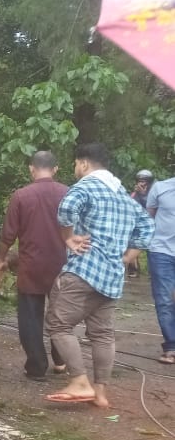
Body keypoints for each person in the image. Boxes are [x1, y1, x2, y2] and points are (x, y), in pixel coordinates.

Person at [45, 143, 153, 408]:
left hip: (85, 269)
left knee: (59, 325)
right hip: (113, 275)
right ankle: (100, 394)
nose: (75, 169)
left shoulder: (86, 186)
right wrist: (127, 258)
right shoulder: (123, 196)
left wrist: (68, 239)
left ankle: (80, 382)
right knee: (103, 334)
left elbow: (66, 208)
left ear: (83, 163)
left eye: (75, 164)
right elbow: (147, 227)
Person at [0, 151, 68, 381]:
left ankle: (36, 366)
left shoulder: (21, 196)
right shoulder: (68, 193)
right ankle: (61, 359)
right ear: (55, 169)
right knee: (61, 316)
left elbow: (7, 235)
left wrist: (2, 259)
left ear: (31, 168)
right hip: (62, 266)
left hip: (31, 266)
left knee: (30, 318)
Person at [146, 171, 175, 364]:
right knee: (164, 299)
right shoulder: (160, 187)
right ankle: (171, 346)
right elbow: (149, 216)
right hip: (161, 251)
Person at [127, 169, 153, 277]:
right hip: (137, 225)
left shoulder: (154, 193)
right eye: (140, 181)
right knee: (132, 244)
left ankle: (153, 272)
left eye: (144, 181)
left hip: (152, 225)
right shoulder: (134, 194)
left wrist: (143, 195)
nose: (142, 183)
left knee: (152, 249)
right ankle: (133, 269)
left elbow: (151, 208)